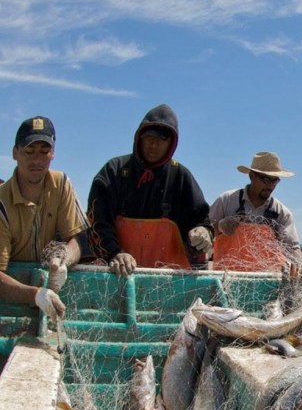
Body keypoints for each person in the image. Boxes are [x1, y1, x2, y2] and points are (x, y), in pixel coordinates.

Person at [87, 104, 212, 276]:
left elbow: (202, 221)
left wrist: (203, 232)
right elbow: (98, 222)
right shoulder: (112, 171)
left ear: (172, 144)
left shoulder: (180, 176)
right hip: (117, 275)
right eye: (149, 138)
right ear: (139, 137)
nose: (154, 145)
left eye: (162, 140)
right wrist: (114, 253)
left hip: (169, 282)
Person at [0, 116, 89, 322]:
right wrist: (35, 294)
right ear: (15, 153)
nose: (37, 161)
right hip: (10, 297)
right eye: (29, 152)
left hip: (52, 291)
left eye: (44, 152)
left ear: (53, 153)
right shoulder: (2, 201)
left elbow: (77, 238)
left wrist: (64, 260)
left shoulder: (62, 183)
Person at [209, 151, 302, 271]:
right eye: (265, 179)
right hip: (226, 279)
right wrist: (220, 226)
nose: (270, 186)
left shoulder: (282, 213)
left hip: (266, 283)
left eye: (275, 181)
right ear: (251, 175)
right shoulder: (226, 201)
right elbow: (204, 230)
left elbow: (292, 248)